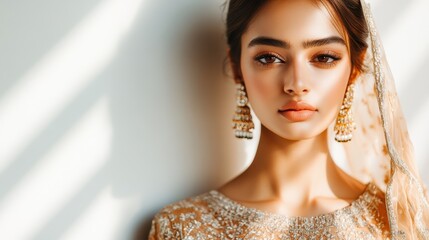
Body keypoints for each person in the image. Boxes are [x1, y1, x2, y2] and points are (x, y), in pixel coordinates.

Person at [148, 0, 429, 239]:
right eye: (269, 58)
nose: (296, 84)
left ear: (355, 68)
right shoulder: (183, 227)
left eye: (324, 57)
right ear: (237, 66)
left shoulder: (401, 220)